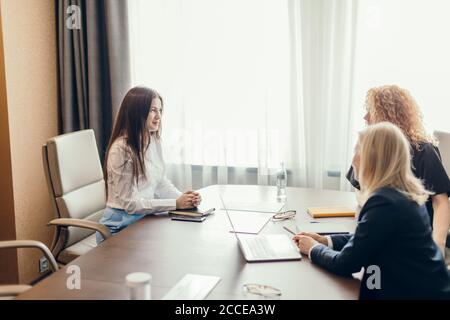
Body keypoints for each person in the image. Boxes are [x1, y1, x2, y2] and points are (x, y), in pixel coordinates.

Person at [294, 122, 450, 299]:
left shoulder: (385, 202)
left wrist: (314, 249)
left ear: (372, 157)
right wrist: (325, 240)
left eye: (356, 151)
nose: (353, 159)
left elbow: (346, 263)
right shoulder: (403, 193)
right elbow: (369, 238)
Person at [347, 85, 450, 256]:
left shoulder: (424, 150)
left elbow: (441, 202)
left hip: (415, 239)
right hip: (382, 233)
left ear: (389, 115)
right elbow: (361, 193)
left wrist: (437, 244)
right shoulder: (369, 149)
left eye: (371, 111)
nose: (365, 117)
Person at [97, 86, 201, 243]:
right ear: (136, 112)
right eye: (153, 110)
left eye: (160, 110)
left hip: (143, 220)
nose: (158, 116)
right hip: (119, 227)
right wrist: (175, 204)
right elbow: (131, 204)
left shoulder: (153, 140)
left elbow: (160, 182)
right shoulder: (120, 149)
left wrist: (183, 199)